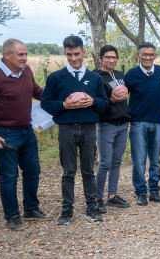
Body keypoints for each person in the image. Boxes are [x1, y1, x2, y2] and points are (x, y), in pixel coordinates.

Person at [41, 35, 109, 224]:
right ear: (65, 53)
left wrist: (93, 101)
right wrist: (63, 105)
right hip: (67, 129)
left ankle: (91, 208)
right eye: (69, 54)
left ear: (84, 52)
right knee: (68, 171)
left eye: (77, 54)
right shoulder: (56, 78)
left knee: (88, 170)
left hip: (88, 129)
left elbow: (104, 104)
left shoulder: (94, 78)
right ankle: (67, 210)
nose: (73, 58)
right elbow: (46, 103)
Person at [0, 39, 49, 230]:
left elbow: (36, 91)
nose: (25, 58)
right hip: (4, 133)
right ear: (7, 55)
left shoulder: (26, 71)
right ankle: (11, 216)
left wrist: (60, 100)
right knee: (9, 176)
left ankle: (31, 209)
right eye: (21, 55)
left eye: (26, 54)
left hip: (27, 130)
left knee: (33, 170)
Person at [125, 42, 160, 206]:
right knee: (139, 160)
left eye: (150, 54)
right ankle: (140, 192)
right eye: (144, 54)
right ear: (138, 55)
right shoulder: (131, 74)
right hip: (138, 123)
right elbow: (122, 96)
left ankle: (154, 190)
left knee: (156, 159)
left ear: (155, 56)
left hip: (159, 122)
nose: (147, 57)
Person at [93, 45, 132, 212]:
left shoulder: (119, 75)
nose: (111, 60)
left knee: (116, 162)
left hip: (122, 124)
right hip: (106, 124)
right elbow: (96, 102)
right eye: (107, 57)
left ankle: (112, 195)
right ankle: (97, 197)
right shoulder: (96, 76)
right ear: (101, 58)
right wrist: (111, 101)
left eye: (114, 57)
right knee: (105, 162)